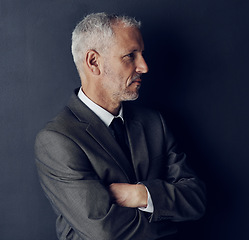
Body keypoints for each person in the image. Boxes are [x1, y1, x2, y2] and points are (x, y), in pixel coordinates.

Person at [34, 12, 206, 240]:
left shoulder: (155, 123)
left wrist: (140, 194)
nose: (144, 67)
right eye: (130, 56)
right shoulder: (57, 139)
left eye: (142, 54)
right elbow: (106, 233)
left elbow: (195, 200)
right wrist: (169, 223)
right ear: (93, 62)